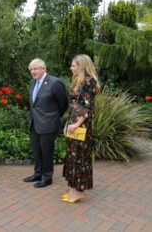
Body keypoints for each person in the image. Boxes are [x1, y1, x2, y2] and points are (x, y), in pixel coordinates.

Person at [23, 58, 68, 188]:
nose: (33, 71)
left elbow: (63, 103)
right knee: (37, 151)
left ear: (43, 68)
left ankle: (47, 177)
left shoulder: (55, 82)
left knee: (47, 152)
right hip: (34, 123)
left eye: (35, 68)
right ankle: (38, 173)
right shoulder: (32, 83)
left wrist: (53, 116)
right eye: (31, 69)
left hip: (48, 124)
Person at [62, 54, 100, 203]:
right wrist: (68, 123)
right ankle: (73, 188)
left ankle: (78, 192)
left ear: (82, 66)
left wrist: (76, 124)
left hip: (81, 125)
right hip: (73, 122)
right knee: (72, 157)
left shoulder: (88, 81)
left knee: (79, 157)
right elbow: (74, 105)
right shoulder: (78, 81)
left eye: (73, 65)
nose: (71, 68)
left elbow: (88, 107)